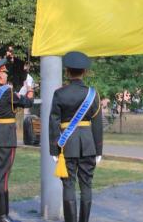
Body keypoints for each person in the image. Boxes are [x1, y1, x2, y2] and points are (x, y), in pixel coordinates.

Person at [50, 51, 103, 222]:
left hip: (67, 146)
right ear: (84, 72)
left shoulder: (59, 93)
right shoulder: (93, 94)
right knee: (86, 185)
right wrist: (99, 151)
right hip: (88, 145)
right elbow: (97, 125)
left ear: (67, 72)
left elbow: (53, 122)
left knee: (68, 186)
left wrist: (54, 149)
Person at [0, 48, 34, 222]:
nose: (6, 75)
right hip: (6, 137)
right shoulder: (7, 92)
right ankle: (1, 215)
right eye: (4, 73)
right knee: (3, 177)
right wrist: (30, 88)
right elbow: (28, 102)